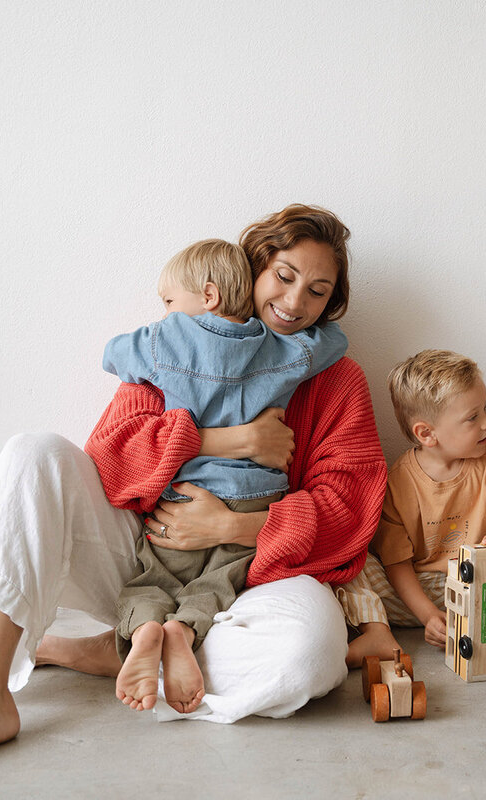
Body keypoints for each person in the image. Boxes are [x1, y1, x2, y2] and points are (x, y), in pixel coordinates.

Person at [0, 204, 387, 794]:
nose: (295, 303)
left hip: (249, 580)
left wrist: (234, 527)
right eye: (284, 276)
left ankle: (126, 647)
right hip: (145, 553)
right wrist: (225, 438)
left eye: (317, 292)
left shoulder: (336, 377)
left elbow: (351, 507)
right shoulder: (176, 344)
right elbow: (111, 458)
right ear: (252, 267)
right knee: (32, 453)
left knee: (313, 649)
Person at [103, 238, 348, 714]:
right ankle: (184, 631)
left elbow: (114, 354)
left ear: (209, 296)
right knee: (220, 582)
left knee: (153, 575)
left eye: (170, 300)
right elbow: (335, 342)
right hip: (255, 495)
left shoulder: (164, 340)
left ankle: (145, 629)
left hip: (183, 492)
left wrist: (162, 330)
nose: (296, 302)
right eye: (283, 277)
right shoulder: (281, 351)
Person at [334, 349, 486, 667]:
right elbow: (397, 564)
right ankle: (377, 632)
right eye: (473, 417)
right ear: (427, 433)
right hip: (420, 592)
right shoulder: (398, 481)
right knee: (349, 564)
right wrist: (428, 615)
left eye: (484, 409)